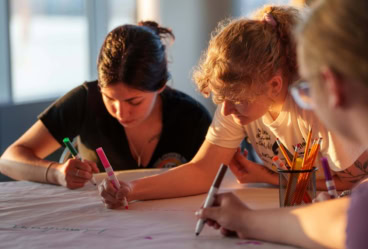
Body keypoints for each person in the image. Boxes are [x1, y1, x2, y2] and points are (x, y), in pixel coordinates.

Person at [98, 5, 368, 209]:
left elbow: (360, 180)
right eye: (221, 100)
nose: (227, 112)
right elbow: (202, 170)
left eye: (236, 101)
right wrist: (132, 189)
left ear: (274, 85)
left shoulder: (316, 105)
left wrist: (267, 177)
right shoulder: (239, 96)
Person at [196, 0, 368, 248]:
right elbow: (341, 219)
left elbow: (357, 219)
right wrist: (245, 219)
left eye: (305, 89)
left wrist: (247, 218)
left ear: (331, 86)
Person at [0, 21, 212, 189]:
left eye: (133, 101)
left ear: (160, 86)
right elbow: (8, 160)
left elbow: (215, 177)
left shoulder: (191, 118)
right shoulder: (86, 100)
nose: (120, 112)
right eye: (109, 98)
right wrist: (56, 172)